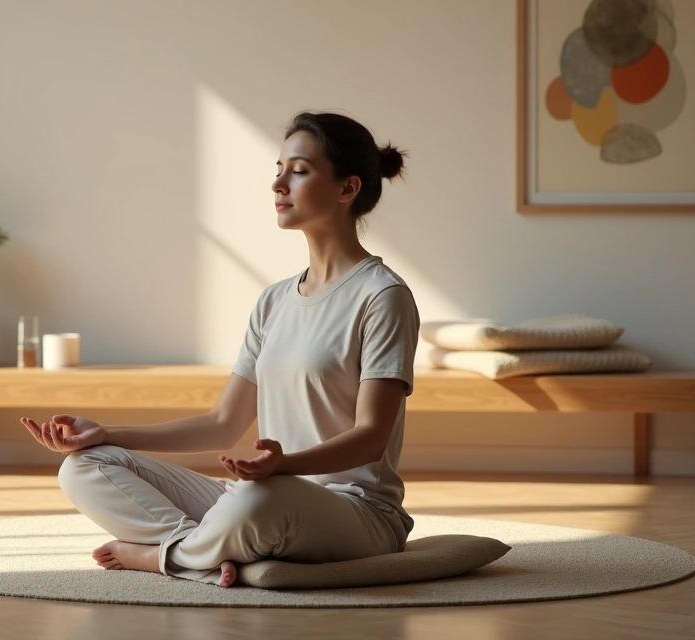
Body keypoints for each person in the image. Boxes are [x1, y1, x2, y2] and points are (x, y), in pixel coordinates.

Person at [21, 110, 419, 588]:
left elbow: (372, 436)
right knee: (84, 467)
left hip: (357, 513)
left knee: (257, 500)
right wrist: (106, 434)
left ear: (347, 188)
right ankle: (203, 555)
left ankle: (160, 556)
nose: (278, 184)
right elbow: (222, 423)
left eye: (298, 171)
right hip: (265, 494)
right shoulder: (274, 300)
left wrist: (284, 466)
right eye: (279, 169)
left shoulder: (382, 296)